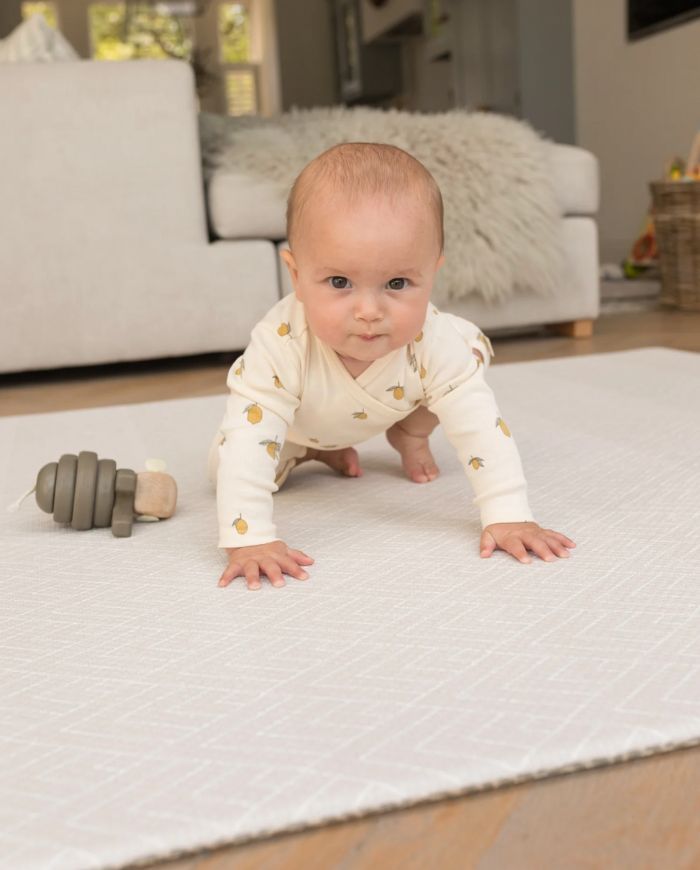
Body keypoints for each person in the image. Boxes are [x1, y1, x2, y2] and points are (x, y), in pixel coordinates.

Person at [209, 142, 575, 590]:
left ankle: (412, 430)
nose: (368, 310)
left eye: (397, 283)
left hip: (398, 399)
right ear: (296, 276)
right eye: (339, 282)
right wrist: (250, 540)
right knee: (227, 464)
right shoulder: (280, 344)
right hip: (295, 426)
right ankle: (313, 449)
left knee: (467, 352)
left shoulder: (432, 340)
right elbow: (250, 440)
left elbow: (481, 426)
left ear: (432, 274)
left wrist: (509, 515)